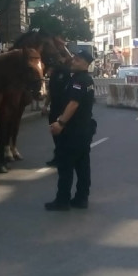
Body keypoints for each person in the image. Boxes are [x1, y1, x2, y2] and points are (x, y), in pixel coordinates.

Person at [45, 48, 96, 211]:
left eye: (77, 59)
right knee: (82, 165)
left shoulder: (79, 81)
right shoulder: (86, 79)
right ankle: (81, 198)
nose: (73, 61)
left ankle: (62, 200)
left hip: (73, 131)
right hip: (84, 129)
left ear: (86, 63)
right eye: (74, 58)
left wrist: (60, 123)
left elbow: (73, 104)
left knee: (65, 165)